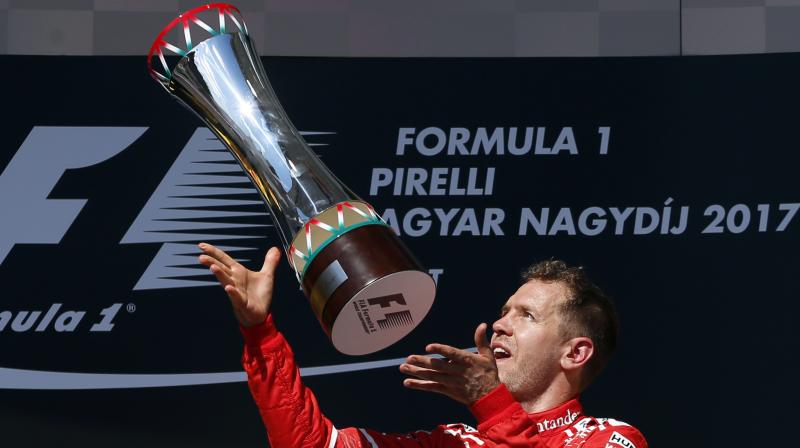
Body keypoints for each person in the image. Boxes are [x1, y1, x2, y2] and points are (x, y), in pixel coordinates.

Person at [198, 242, 648, 448]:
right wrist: (260, 333)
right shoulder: (450, 442)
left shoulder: (611, 439)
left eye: (525, 316)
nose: (499, 326)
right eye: (504, 311)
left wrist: (494, 405)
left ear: (576, 353)